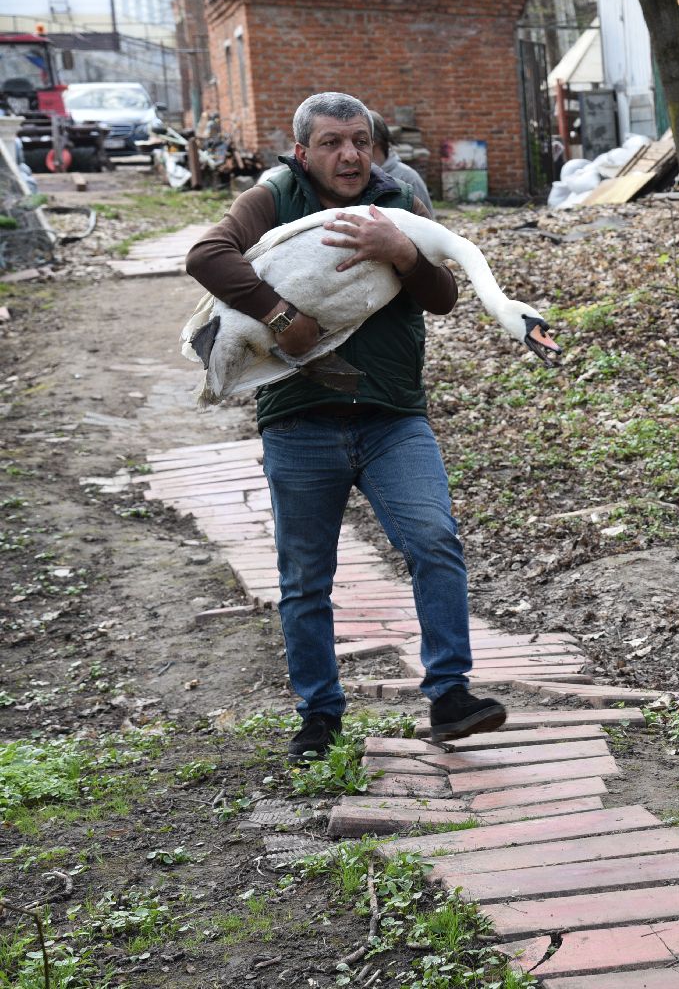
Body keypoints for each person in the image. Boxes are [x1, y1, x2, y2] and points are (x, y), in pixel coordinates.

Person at [185, 91, 505, 761]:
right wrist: (279, 317)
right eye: (331, 143)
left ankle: (450, 697)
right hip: (299, 420)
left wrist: (404, 251)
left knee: (434, 541)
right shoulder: (275, 195)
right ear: (303, 152)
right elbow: (208, 255)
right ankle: (320, 717)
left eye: (359, 140)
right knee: (306, 578)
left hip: (393, 417)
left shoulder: (399, 200)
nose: (349, 154)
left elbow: (444, 298)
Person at [368, 109, 434, 219]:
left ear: (374, 140)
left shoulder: (408, 177)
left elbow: (430, 225)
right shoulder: (355, 178)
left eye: (359, 138)